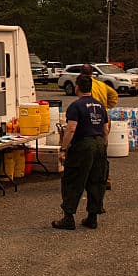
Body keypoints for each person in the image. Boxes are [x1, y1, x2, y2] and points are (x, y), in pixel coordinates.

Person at [53, 74, 110, 230]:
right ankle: (92, 217)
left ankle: (68, 217)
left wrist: (64, 149)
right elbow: (105, 129)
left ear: (77, 87)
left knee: (73, 179)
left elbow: (71, 129)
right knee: (96, 181)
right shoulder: (100, 106)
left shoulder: (76, 106)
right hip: (99, 144)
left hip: (83, 145)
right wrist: (103, 147)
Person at [81, 63, 118, 189]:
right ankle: (106, 178)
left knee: (90, 150)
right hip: (105, 117)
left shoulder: (86, 86)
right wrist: (106, 107)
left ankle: (91, 179)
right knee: (102, 150)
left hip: (91, 120)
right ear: (92, 73)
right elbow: (114, 95)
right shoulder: (101, 85)